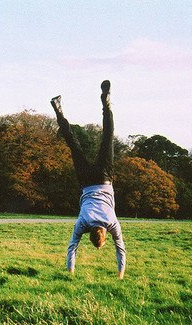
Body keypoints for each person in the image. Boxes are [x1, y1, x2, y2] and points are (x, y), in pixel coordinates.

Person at [50, 80, 126, 279]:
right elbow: (71, 249)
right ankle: (58, 111)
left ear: (103, 235)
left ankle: (106, 104)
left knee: (107, 137)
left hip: (104, 178)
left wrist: (121, 274)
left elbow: (121, 250)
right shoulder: (82, 223)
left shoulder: (112, 223)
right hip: (85, 181)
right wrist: (71, 272)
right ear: (91, 236)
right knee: (73, 144)